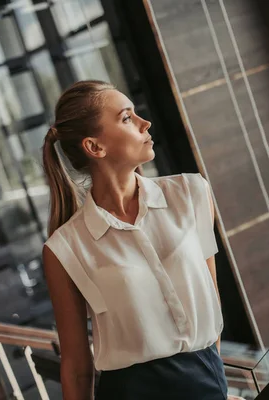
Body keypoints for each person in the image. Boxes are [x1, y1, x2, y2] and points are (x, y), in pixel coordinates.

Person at [41, 80, 239, 399]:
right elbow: (77, 366)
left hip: (206, 380)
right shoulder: (65, 249)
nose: (145, 123)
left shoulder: (192, 194)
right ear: (95, 147)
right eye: (127, 118)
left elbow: (211, 306)